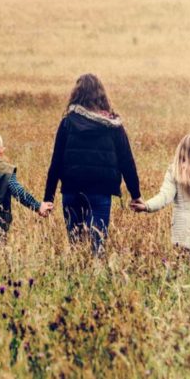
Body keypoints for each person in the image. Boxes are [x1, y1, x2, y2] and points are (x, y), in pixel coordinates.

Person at [43, 73, 142, 255]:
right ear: (101, 95)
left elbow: (56, 161)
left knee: (76, 245)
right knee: (97, 246)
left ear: (76, 94)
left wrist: (48, 198)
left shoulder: (68, 123)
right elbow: (127, 161)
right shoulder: (113, 125)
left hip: (72, 190)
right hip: (101, 191)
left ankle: (77, 276)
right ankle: (95, 277)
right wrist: (136, 195)